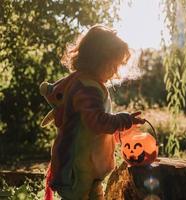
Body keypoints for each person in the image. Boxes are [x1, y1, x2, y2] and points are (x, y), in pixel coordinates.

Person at [40, 25, 145, 200]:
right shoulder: (87, 88)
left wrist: (119, 128)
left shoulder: (84, 82)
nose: (115, 71)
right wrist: (123, 120)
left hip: (87, 166)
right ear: (98, 60)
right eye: (113, 65)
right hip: (78, 168)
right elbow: (96, 122)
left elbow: (90, 122)